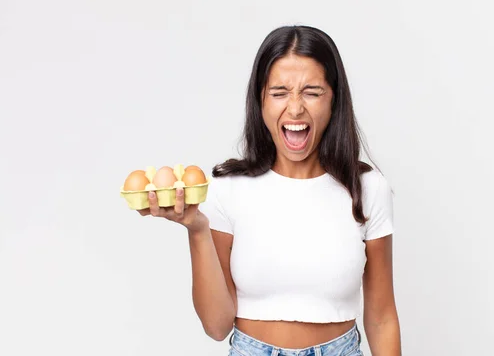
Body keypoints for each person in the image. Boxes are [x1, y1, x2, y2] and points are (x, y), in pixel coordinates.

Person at [138, 25, 401, 355]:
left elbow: (381, 318)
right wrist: (198, 230)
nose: (294, 109)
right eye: (279, 93)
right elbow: (217, 326)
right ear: (260, 101)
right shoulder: (227, 189)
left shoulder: (367, 189)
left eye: (312, 92)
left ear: (333, 98)